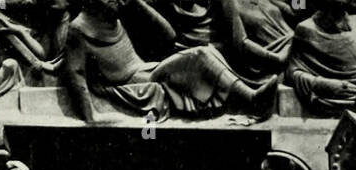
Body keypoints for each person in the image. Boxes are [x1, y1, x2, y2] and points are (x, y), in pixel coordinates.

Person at [64, 0, 277, 123]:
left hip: (148, 71)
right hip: (136, 81)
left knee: (206, 53)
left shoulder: (114, 19)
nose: (119, 1)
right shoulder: (79, 29)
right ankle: (252, 99)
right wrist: (92, 116)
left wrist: (138, 3)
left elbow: (168, 36)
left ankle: (250, 97)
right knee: (200, 55)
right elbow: (77, 74)